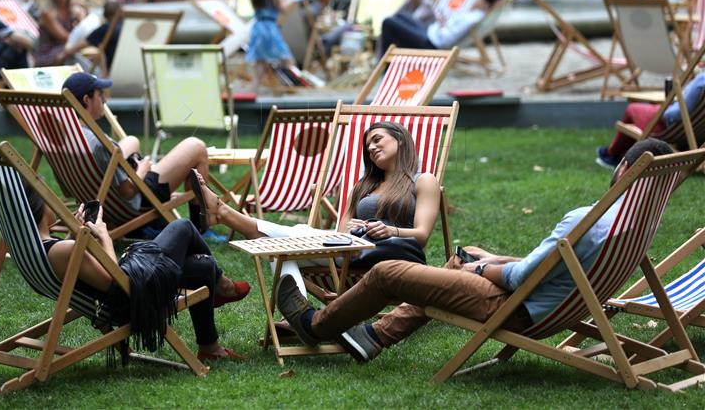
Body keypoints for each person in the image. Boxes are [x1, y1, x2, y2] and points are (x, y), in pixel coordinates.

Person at [274, 139, 674, 362]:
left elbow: (520, 278)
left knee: (387, 273)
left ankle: (316, 325)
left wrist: (481, 272)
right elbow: (553, 266)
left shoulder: (587, 219)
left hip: (513, 307)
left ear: (623, 169)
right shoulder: (638, 222)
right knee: (467, 255)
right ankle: (375, 336)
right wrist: (488, 261)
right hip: (546, 302)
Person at [187, 122, 441, 298]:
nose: (371, 148)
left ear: (400, 138)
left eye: (377, 140)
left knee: (289, 241)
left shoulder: (422, 180)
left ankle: (223, 213)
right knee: (280, 253)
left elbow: (422, 235)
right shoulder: (364, 186)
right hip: (349, 253)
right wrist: (353, 228)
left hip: (391, 256)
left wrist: (390, 230)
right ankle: (301, 316)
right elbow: (341, 234)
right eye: (367, 146)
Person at [26, 182, 249, 360]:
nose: (53, 202)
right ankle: (222, 285)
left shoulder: (41, 249)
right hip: (132, 296)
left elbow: (82, 269)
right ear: (40, 207)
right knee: (183, 227)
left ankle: (209, 347)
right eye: (48, 198)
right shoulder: (62, 249)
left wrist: (77, 233)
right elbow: (114, 283)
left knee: (203, 267)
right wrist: (104, 235)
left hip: (128, 289)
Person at [61, 72, 214, 239]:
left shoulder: (65, 139)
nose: (104, 100)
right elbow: (128, 192)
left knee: (131, 141)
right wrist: (142, 170)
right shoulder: (97, 142)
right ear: (86, 100)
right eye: (100, 94)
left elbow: (67, 191)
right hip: (135, 203)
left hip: (104, 203)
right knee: (196, 147)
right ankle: (201, 228)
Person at [596, 72, 705, 169]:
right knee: (646, 112)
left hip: (669, 127)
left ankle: (612, 155)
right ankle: (617, 154)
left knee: (632, 108)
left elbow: (678, 113)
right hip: (696, 132)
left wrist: (664, 114)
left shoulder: (702, 79)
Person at [378, 0, 503, 57]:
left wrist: (442, 24)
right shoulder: (474, 13)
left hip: (431, 42)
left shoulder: (472, 19)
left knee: (388, 22)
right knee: (401, 15)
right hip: (430, 31)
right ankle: (393, 55)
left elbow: (447, 39)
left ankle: (386, 63)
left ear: (486, 3)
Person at [246, 0, 295, 90]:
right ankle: (280, 85)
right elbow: (282, 7)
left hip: (258, 28)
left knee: (260, 63)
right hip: (269, 28)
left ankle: (257, 89)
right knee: (286, 59)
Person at [36, 0, 87, 67]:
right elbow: (66, 38)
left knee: (97, 54)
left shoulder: (73, 9)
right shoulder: (47, 13)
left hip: (68, 50)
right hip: (48, 55)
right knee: (72, 58)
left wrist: (81, 16)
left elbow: (84, 31)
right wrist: (85, 41)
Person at [81, 0, 122, 71]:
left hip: (109, 73)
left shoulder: (105, 28)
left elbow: (80, 45)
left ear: (105, 15)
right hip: (125, 70)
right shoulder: (126, 27)